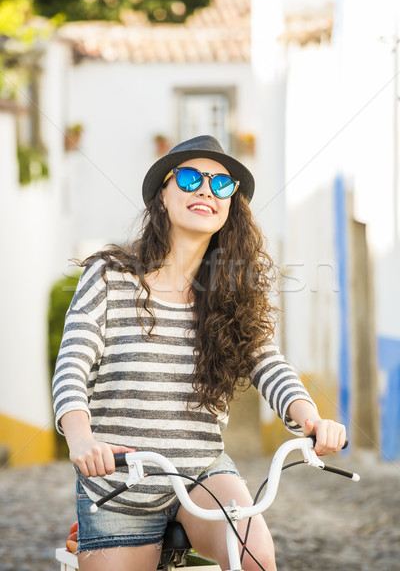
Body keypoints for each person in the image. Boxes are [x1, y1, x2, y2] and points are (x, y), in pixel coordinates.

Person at [52, 135, 346, 571]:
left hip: (203, 472)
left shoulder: (231, 294)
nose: (206, 190)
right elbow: (71, 366)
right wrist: (81, 439)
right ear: (163, 197)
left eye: (221, 184)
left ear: (231, 206)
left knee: (255, 558)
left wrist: (310, 418)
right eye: (191, 178)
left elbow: (268, 364)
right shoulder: (109, 277)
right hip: (118, 482)